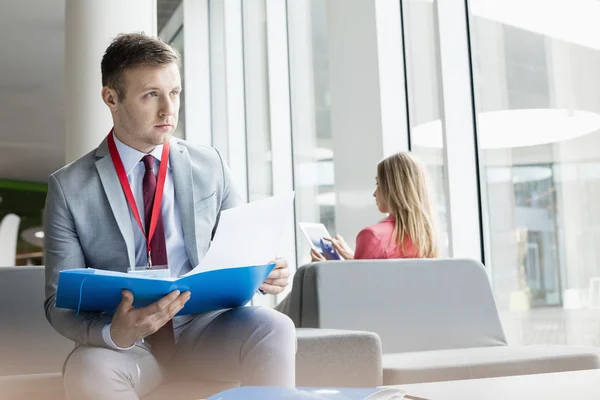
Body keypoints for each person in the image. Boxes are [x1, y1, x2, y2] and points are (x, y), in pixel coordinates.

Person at [44, 33, 296, 400]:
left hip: (205, 329)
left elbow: (241, 253)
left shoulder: (211, 165)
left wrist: (264, 273)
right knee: (87, 370)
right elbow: (57, 304)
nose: (168, 109)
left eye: (174, 93)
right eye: (151, 94)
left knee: (276, 327)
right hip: (129, 344)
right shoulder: (69, 187)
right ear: (111, 98)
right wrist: (115, 333)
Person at [311, 152, 439, 261]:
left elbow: (356, 287)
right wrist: (354, 259)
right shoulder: (427, 239)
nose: (374, 193)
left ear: (394, 188)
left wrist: (324, 268)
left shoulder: (372, 236)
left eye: (378, 183)